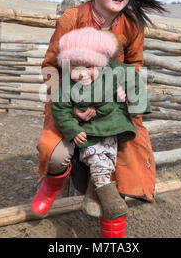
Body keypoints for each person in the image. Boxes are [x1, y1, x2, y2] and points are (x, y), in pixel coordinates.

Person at [32, 0, 167, 238]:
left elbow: (135, 64)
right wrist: (66, 103)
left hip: (112, 107)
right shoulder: (72, 18)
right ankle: (51, 183)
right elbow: (50, 66)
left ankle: (107, 218)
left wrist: (126, 88)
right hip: (70, 101)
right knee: (53, 150)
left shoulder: (131, 25)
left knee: (128, 155)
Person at [49, 26, 151, 223]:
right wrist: (73, 128)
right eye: (75, 68)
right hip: (89, 130)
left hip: (112, 125)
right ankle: (111, 201)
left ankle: (93, 195)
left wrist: (137, 105)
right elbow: (59, 108)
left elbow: (133, 77)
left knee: (108, 158)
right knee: (98, 158)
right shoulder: (67, 84)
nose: (81, 73)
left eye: (88, 67)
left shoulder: (113, 71)